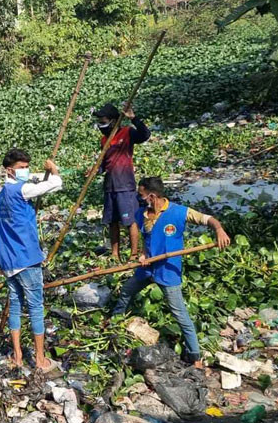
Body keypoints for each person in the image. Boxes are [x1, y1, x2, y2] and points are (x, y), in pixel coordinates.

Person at [111, 177, 231, 367]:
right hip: (147, 268)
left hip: (168, 271)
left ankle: (195, 356)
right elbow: (146, 240)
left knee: (180, 315)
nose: (139, 199)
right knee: (126, 291)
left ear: (151, 196)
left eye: (141, 195)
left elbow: (207, 219)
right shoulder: (142, 214)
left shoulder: (179, 212)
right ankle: (114, 322)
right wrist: (142, 256)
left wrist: (219, 230)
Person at [0, 149, 63, 371]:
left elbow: (33, 184)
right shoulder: (19, 190)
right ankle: (41, 360)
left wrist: (37, 176)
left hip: (9, 260)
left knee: (15, 305)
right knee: (35, 307)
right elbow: (53, 185)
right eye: (22, 168)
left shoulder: (3, 194)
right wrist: (54, 171)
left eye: (26, 167)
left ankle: (17, 355)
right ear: (10, 170)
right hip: (26, 257)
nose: (26, 171)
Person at [93, 102, 151, 261]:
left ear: (113, 120)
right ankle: (114, 253)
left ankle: (133, 254)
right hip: (110, 186)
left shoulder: (127, 133)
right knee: (112, 221)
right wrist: (95, 171)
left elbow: (145, 135)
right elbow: (105, 163)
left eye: (103, 120)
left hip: (125, 185)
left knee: (130, 220)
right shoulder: (104, 140)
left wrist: (134, 118)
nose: (101, 124)